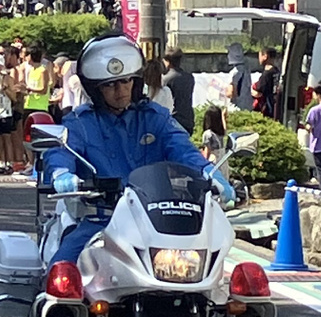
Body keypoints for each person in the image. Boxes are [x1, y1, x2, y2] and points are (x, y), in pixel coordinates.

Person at [45, 34, 235, 270]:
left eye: (126, 81)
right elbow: (61, 151)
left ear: (136, 82)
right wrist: (61, 173)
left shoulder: (156, 118)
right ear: (95, 89)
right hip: (100, 219)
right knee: (61, 272)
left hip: (155, 220)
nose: (121, 90)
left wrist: (209, 171)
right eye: (110, 85)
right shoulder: (80, 123)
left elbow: (182, 149)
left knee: (205, 272)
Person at [161, 46, 196, 134]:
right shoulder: (189, 77)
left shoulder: (165, 79)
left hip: (173, 119)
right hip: (188, 119)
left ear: (168, 61)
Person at [251, 48, 279, 120]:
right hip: (275, 106)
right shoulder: (276, 72)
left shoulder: (266, 74)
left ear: (265, 56)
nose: (259, 59)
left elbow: (258, 93)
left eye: (260, 56)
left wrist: (250, 90)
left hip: (267, 108)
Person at [225, 43, 253, 111]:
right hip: (247, 107)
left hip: (236, 109)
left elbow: (230, 93)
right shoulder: (247, 70)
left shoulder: (234, 72)